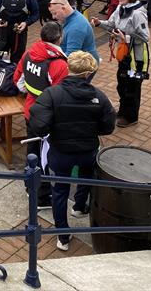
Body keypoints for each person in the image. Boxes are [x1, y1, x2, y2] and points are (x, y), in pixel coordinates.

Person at [28, 51, 116, 252]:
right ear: (88, 73)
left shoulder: (53, 94)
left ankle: (63, 236)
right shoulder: (98, 96)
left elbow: (38, 123)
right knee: (86, 179)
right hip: (87, 151)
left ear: (69, 68)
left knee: (60, 190)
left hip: (61, 152)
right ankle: (79, 207)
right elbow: (108, 126)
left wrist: (52, 130)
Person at [13, 21, 69, 208]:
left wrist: (33, 94)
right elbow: (61, 97)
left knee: (32, 152)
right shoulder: (59, 65)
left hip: (30, 111)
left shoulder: (28, 54)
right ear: (59, 38)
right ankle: (42, 197)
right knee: (45, 156)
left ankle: (30, 186)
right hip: (49, 117)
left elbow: (18, 82)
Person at [91, 0, 150, 127]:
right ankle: (123, 111)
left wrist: (126, 38)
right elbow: (111, 24)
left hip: (136, 58)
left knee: (132, 87)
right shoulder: (120, 8)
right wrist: (100, 23)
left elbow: (145, 37)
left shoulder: (138, 14)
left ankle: (131, 117)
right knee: (122, 84)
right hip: (124, 55)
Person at [47, 0, 100, 64]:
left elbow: (71, 56)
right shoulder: (70, 17)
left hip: (84, 65)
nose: (53, 17)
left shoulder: (76, 28)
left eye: (55, 13)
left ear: (64, 9)